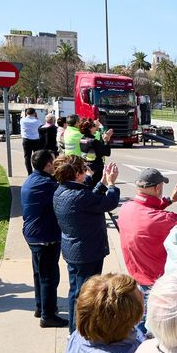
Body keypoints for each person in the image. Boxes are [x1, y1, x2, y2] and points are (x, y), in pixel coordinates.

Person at [53, 154, 120, 333]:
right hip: (87, 252)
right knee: (86, 295)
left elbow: (91, 200)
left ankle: (73, 330)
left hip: (73, 250)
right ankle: (80, 332)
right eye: (84, 169)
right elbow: (109, 202)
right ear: (77, 174)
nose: (87, 172)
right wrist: (111, 185)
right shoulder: (79, 196)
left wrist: (102, 182)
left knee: (75, 290)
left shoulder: (61, 190)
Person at [117, 168, 177, 332]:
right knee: (153, 327)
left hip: (135, 275)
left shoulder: (126, 208)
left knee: (139, 321)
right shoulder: (162, 219)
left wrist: (169, 200)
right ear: (157, 187)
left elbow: (148, 209)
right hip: (155, 282)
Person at [21, 149, 67, 328]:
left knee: (39, 273)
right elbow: (66, 191)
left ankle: (41, 307)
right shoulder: (47, 184)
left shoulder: (33, 179)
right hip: (44, 236)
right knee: (49, 276)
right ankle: (48, 315)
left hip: (34, 234)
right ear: (48, 165)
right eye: (54, 162)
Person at [79, 119, 113, 184]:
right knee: (96, 187)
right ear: (90, 128)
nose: (96, 128)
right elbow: (107, 152)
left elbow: (98, 149)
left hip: (86, 167)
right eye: (94, 126)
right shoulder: (93, 141)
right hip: (96, 169)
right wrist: (106, 140)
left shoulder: (82, 139)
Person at [20, 107, 43, 175]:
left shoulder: (22, 120)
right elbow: (40, 128)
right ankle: (38, 171)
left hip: (26, 139)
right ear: (34, 113)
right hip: (36, 140)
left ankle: (29, 173)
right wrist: (36, 117)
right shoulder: (37, 121)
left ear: (26, 113)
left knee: (27, 157)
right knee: (38, 156)